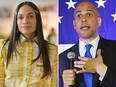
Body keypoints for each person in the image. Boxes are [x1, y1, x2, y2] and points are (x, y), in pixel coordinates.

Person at [0, 1, 58, 87]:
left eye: (30, 16)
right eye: (20, 17)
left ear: (37, 20)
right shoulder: (4, 47)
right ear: (16, 21)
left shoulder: (52, 50)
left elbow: (55, 83)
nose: (25, 21)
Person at [59, 1, 116, 87]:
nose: (83, 19)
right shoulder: (62, 59)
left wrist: (101, 69)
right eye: (79, 15)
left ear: (99, 21)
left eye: (89, 14)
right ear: (74, 24)